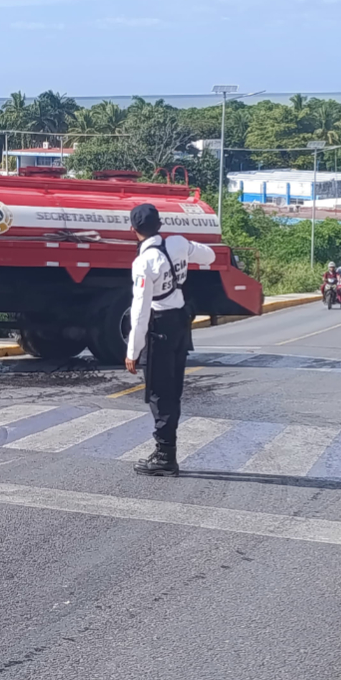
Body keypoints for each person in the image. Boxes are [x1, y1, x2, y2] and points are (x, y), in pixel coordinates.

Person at [124, 202, 217, 476]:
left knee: (159, 393)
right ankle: (167, 451)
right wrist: (186, 253)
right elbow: (209, 256)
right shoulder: (177, 243)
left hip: (160, 327)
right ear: (160, 225)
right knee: (173, 390)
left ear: (133, 230)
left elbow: (140, 311)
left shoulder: (143, 263)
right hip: (181, 323)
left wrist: (133, 350)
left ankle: (165, 456)